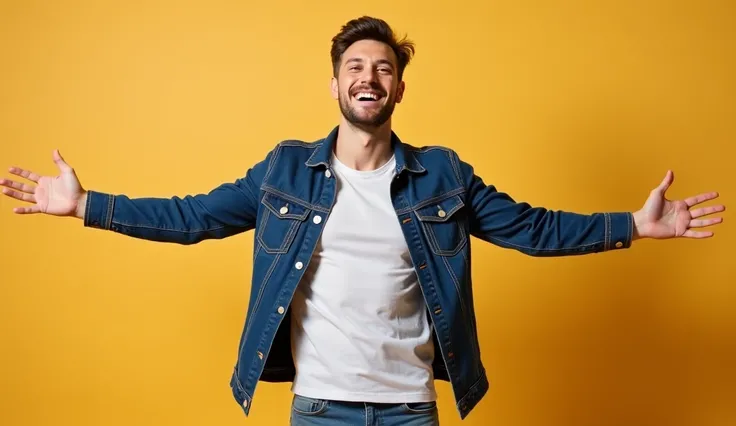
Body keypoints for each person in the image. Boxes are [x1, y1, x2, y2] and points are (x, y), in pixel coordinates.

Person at [0, 15, 725, 426]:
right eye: (355, 66)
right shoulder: (283, 174)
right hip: (318, 410)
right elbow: (191, 216)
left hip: (410, 409)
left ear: (399, 87)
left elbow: (531, 229)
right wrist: (87, 205)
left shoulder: (443, 176)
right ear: (335, 82)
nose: (367, 78)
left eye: (381, 68)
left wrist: (634, 223)